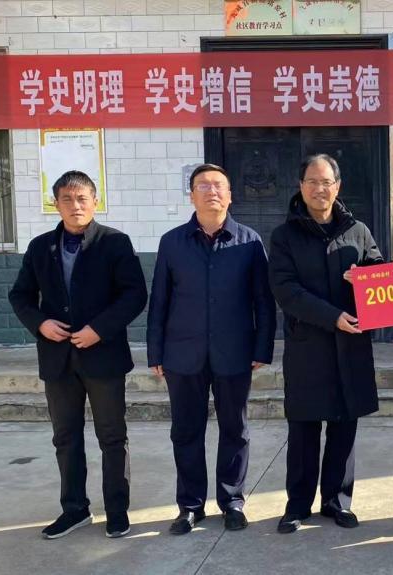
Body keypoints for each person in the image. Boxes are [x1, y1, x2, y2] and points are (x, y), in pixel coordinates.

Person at [9, 170, 148, 539]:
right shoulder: (40, 247)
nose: (75, 206)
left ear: (95, 202)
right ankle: (74, 510)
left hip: (103, 357)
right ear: (56, 204)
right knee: (66, 437)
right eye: (67, 199)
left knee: (112, 436)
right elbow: (20, 295)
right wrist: (40, 323)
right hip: (58, 359)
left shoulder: (114, 243)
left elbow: (135, 294)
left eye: (82, 198)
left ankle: (116, 510)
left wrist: (99, 329)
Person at [147, 163, 276, 535]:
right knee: (186, 431)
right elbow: (160, 299)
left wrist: (262, 347)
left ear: (230, 195)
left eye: (219, 185)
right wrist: (156, 352)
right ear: (191, 196)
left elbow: (263, 300)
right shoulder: (172, 242)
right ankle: (190, 506)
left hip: (234, 352)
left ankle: (232, 501)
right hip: (182, 353)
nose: (212, 191)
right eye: (203, 186)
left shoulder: (249, 241)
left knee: (235, 429)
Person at [268, 154, 384, 534]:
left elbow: (380, 275)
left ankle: (338, 501)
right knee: (304, 430)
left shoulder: (358, 230)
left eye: (327, 182)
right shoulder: (285, 236)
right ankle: (297, 505)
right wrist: (332, 316)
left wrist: (364, 277)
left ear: (338, 186)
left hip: (351, 345)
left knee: (344, 428)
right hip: (308, 348)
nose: (320, 189)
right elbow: (286, 290)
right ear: (301, 187)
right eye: (312, 182)